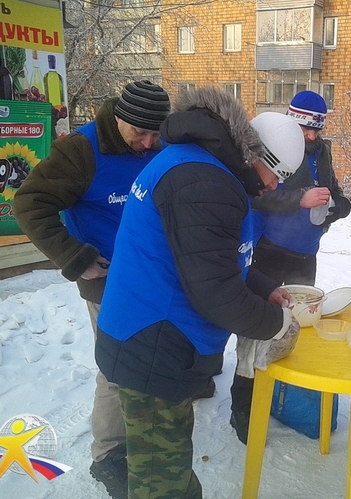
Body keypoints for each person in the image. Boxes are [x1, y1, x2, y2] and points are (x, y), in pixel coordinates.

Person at [93, 86, 306, 499]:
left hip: (152, 337)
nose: (271, 188)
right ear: (260, 157)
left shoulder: (201, 166)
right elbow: (215, 292)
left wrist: (264, 290)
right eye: (277, 177)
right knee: (164, 485)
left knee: (162, 468)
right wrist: (277, 324)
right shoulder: (205, 181)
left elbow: (210, 259)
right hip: (153, 345)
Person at [13, 80, 171, 499]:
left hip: (155, 276)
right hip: (108, 281)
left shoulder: (155, 142)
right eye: (140, 133)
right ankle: (109, 455)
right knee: (117, 369)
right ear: (119, 118)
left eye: (156, 135)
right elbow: (29, 203)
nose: (148, 143)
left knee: (153, 352)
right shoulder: (81, 151)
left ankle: (153, 414)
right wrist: (74, 257)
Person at [229, 90, 351, 443]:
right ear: (290, 122)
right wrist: (300, 198)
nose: (310, 137)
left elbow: (333, 190)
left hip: (306, 254)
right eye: (304, 129)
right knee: (257, 329)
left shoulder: (321, 150)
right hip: (269, 251)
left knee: (297, 327)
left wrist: (338, 206)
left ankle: (282, 394)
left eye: (316, 130)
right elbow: (257, 195)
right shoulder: (271, 147)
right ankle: (244, 405)